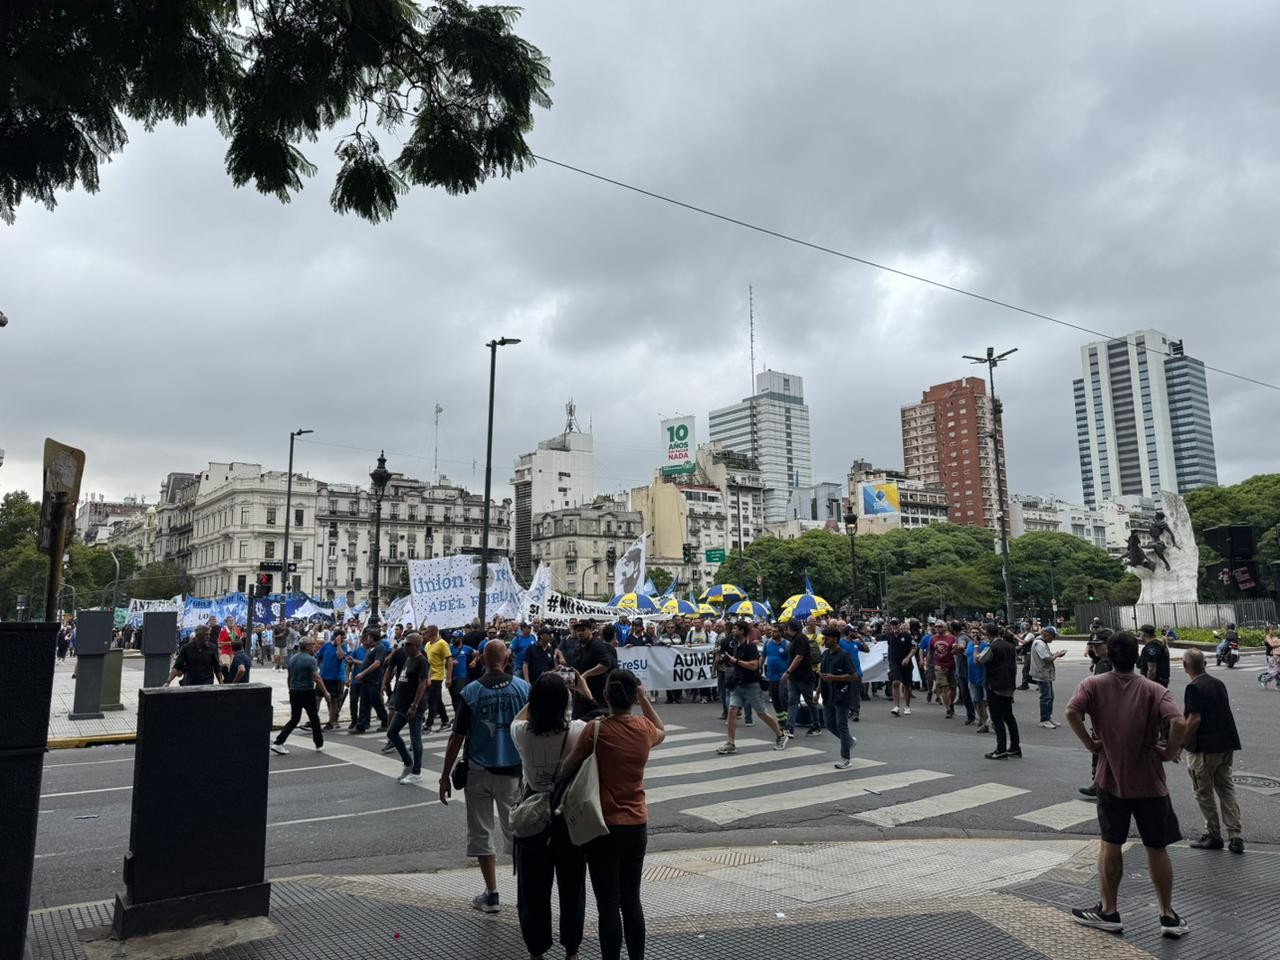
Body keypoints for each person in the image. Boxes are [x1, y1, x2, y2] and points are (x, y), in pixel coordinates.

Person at [1065, 631, 1188, 938]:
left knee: (1111, 843)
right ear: (1136, 657)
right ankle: (1167, 915)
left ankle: (1109, 910)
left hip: (1110, 779)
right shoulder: (1154, 689)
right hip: (1151, 782)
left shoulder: (1093, 685)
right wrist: (1169, 751)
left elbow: (1071, 712)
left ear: (1108, 655)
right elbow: (1179, 722)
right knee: (1156, 847)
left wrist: (1091, 744)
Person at [560, 669, 664, 960]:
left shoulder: (596, 730)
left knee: (607, 902)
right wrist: (644, 698)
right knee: (631, 900)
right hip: (636, 824)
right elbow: (662, 730)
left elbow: (567, 767)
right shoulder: (644, 728)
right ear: (633, 696)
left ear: (605, 696)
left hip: (601, 825)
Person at [439, 640, 530, 914]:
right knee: (517, 832)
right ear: (508, 657)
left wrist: (444, 776)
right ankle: (525, 893)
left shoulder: (471, 692)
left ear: (480, 658)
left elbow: (457, 737)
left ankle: (491, 894)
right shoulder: (524, 689)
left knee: (480, 831)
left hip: (478, 771)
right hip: (512, 772)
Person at [510, 674, 588, 960]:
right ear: (565, 702)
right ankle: (572, 950)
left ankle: (536, 949)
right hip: (567, 819)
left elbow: (522, 715)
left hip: (533, 819)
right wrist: (579, 689)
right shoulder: (579, 730)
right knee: (572, 888)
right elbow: (590, 716)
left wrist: (536, 694)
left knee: (532, 892)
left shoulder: (521, 732)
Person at [1180, 649, 1244, 854]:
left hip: (1204, 749)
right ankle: (1235, 836)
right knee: (1226, 788)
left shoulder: (1194, 687)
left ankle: (1213, 834)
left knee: (1203, 791)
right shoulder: (1218, 683)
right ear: (1204, 663)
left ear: (1185, 666)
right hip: (1226, 745)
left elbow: (1194, 720)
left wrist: (1180, 744)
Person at [716, 622, 788, 755]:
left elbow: (754, 665)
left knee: (762, 713)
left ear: (742, 631)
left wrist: (736, 661)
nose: (732, 630)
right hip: (738, 683)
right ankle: (731, 743)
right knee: (732, 710)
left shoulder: (750, 647)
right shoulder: (737, 645)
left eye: (735, 628)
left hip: (751, 684)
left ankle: (781, 735)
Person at [271, 637, 329, 754]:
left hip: (294, 691)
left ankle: (279, 742)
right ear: (307, 647)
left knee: (294, 718)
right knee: (314, 718)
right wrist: (326, 692)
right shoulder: (310, 659)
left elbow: (289, 677)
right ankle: (319, 744)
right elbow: (316, 677)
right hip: (307, 691)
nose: (314, 648)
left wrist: (290, 690)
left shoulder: (293, 659)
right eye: (312, 645)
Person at [386, 631, 429, 783]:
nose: (405, 646)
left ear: (417, 645)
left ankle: (416, 772)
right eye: (404, 644)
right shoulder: (408, 659)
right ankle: (408, 762)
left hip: (414, 708)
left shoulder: (421, 661)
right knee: (391, 733)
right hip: (402, 706)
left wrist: (415, 705)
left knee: (415, 739)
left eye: (408, 644)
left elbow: (423, 683)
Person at [976, 623, 1020, 759]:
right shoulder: (1010, 646)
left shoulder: (992, 647)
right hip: (1008, 684)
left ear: (988, 634)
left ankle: (1000, 749)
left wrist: (977, 647)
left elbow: (981, 659)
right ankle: (1015, 747)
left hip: (994, 684)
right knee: (1009, 716)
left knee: (996, 717)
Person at [818, 626, 858, 768]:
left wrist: (835, 677)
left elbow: (853, 676)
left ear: (835, 639)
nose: (824, 640)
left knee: (841, 725)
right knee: (829, 723)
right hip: (828, 694)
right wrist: (817, 691)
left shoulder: (844, 655)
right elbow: (822, 675)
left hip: (842, 694)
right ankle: (849, 741)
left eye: (826, 638)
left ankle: (845, 758)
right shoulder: (825, 654)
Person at [783, 621, 823, 735]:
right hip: (796, 677)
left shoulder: (800, 638)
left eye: (787, 627)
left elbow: (799, 657)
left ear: (790, 628)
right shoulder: (797, 638)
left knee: (807, 701)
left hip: (803, 676)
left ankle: (816, 725)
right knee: (793, 702)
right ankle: (790, 727)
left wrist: (788, 671)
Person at [574, 623, 618, 721]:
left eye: (582, 630)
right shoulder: (579, 646)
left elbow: (605, 664)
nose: (579, 633)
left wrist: (586, 674)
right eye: (578, 630)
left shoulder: (597, 645)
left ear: (590, 630)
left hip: (596, 695)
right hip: (581, 695)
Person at [353, 628, 390, 733]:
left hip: (373, 680)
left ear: (372, 638)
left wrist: (362, 673)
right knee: (364, 704)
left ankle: (385, 722)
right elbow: (366, 663)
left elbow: (377, 663)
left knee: (376, 702)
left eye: (368, 637)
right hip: (366, 680)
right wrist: (355, 661)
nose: (366, 639)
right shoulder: (371, 648)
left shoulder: (380, 647)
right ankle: (361, 726)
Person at [1030, 626, 1067, 728]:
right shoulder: (1039, 643)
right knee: (1046, 697)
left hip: (1045, 673)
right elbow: (1046, 659)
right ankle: (1044, 719)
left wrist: (1055, 654)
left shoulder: (1041, 642)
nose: (1053, 639)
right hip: (1042, 674)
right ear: (1048, 635)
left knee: (1050, 697)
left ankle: (1048, 717)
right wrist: (1057, 655)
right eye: (1053, 637)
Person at [422, 625, 453, 732]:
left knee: (431, 700)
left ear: (432, 632)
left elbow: (449, 660)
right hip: (428, 676)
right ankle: (445, 721)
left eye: (427, 631)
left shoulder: (442, 644)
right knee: (437, 700)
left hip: (437, 676)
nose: (425, 634)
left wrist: (448, 677)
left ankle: (428, 725)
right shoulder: (427, 645)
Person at [885, 619, 917, 717]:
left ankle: (907, 706)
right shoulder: (889, 636)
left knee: (906, 685)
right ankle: (896, 706)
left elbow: (914, 648)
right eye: (893, 624)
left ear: (900, 625)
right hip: (894, 663)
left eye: (896, 624)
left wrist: (908, 658)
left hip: (906, 663)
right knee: (895, 682)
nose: (894, 626)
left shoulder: (907, 636)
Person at [317, 629, 347, 729]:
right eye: (341, 637)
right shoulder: (326, 645)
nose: (343, 639)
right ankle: (314, 718)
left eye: (343, 638)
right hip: (323, 677)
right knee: (317, 698)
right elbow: (319, 656)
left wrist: (338, 645)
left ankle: (332, 720)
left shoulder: (343, 646)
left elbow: (340, 657)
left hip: (335, 678)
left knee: (332, 700)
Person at [837, 625, 869, 722]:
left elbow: (867, 650)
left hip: (856, 672)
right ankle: (847, 711)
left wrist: (862, 640)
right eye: (853, 632)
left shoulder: (856, 643)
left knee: (855, 693)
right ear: (849, 633)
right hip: (845, 672)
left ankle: (855, 712)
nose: (856, 634)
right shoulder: (841, 642)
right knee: (844, 693)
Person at [763, 626, 792, 725]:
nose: (772, 633)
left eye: (775, 631)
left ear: (781, 632)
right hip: (771, 676)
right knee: (775, 698)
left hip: (783, 676)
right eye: (772, 631)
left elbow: (792, 660)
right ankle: (781, 720)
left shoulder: (787, 644)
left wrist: (788, 673)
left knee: (783, 697)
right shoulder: (767, 643)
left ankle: (787, 720)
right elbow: (763, 656)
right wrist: (758, 668)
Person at [930, 623, 958, 719]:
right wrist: (927, 663)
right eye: (936, 627)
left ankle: (951, 704)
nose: (937, 628)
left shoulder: (952, 638)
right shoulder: (933, 638)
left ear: (945, 627)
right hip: (939, 666)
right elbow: (930, 652)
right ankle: (948, 709)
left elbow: (956, 651)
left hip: (950, 665)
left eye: (940, 627)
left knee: (953, 688)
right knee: (944, 687)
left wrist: (955, 650)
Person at [966, 626, 990, 733]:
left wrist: (977, 645)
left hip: (983, 676)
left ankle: (989, 720)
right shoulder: (969, 644)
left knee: (986, 701)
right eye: (972, 632)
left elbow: (978, 660)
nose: (975, 635)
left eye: (977, 633)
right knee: (976, 700)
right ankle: (983, 720)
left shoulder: (985, 645)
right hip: (972, 676)